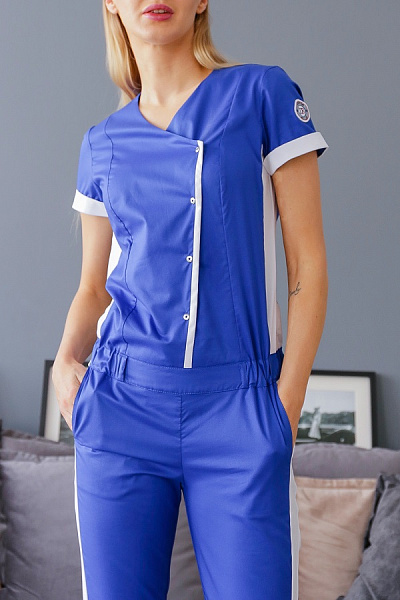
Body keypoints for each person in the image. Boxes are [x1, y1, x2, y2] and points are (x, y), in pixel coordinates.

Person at [52, 1, 329, 598]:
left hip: (241, 410)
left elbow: (307, 266)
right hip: (121, 407)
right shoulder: (102, 143)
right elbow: (94, 286)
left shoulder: (262, 94)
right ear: (111, 3)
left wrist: (284, 405)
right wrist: (67, 363)